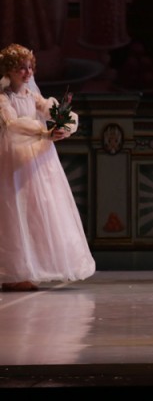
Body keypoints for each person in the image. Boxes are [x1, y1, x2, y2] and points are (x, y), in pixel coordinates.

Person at [0, 43, 96, 291]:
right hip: (13, 156)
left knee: (37, 208)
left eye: (30, 67)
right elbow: (12, 124)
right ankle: (13, 271)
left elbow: (52, 111)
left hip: (38, 158)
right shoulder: (3, 97)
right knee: (13, 209)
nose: (28, 72)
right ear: (9, 70)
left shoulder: (32, 96)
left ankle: (32, 266)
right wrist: (43, 132)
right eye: (22, 68)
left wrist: (63, 125)